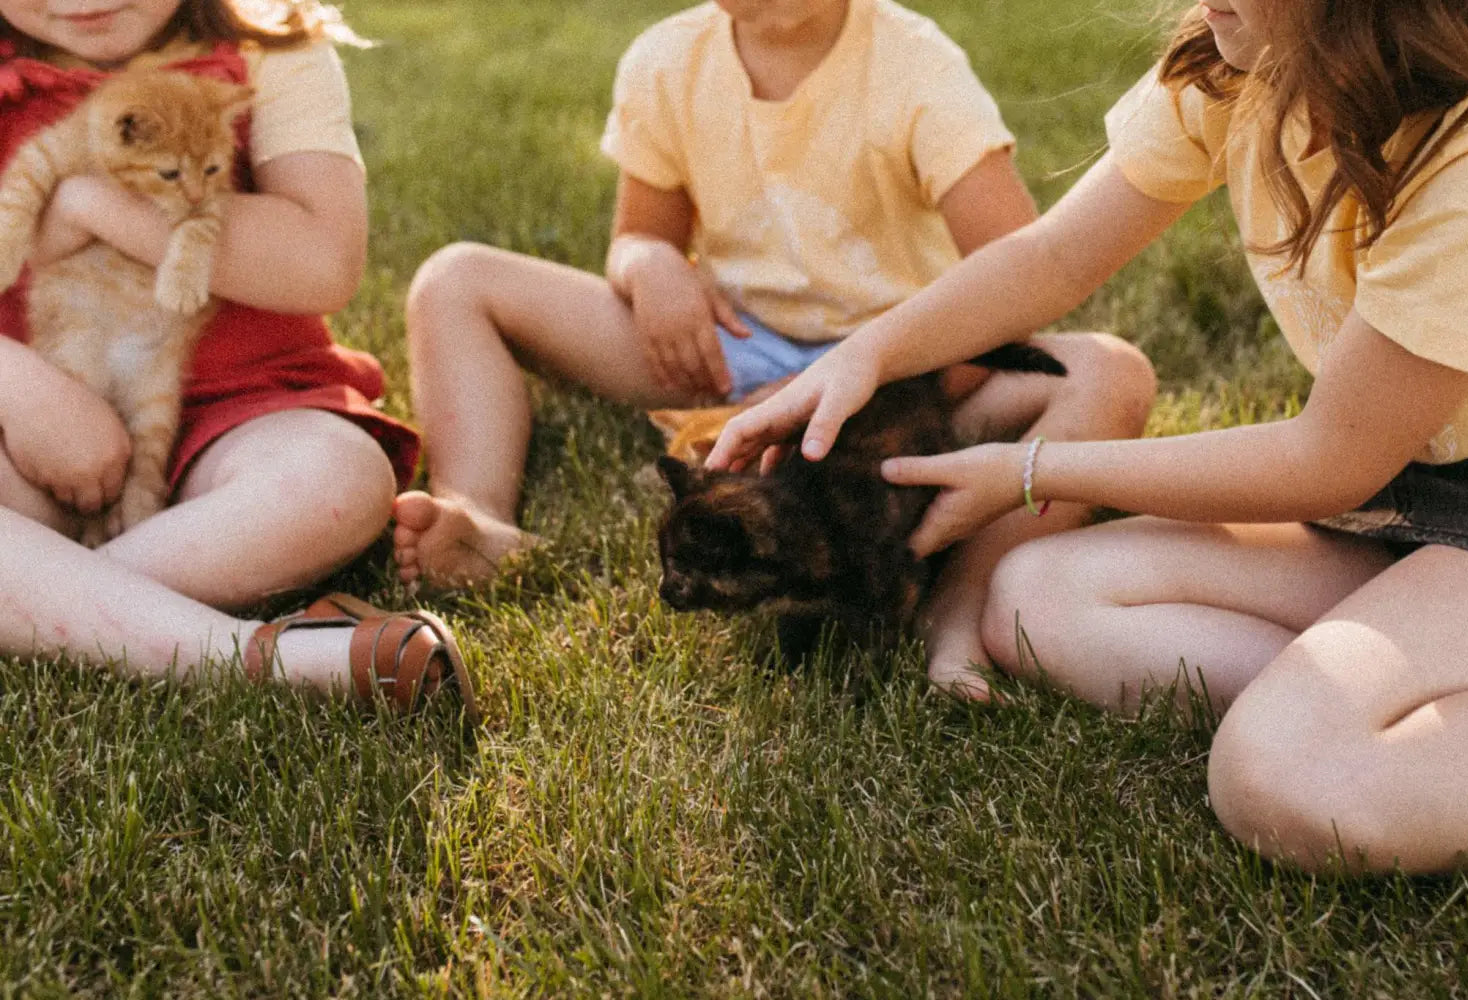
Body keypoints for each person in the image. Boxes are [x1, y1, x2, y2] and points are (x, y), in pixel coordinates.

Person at [709, 0, 1468, 872]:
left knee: (1282, 777)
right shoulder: (1245, 64)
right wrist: (863, 358)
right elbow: (1054, 258)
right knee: (1033, 601)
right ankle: (1393, 686)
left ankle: (1355, 711)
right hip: (1404, 497)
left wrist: (1030, 468)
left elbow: (1326, 460)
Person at [392, 0, 1157, 699]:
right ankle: (478, 514)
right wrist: (651, 266)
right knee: (455, 280)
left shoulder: (915, 66)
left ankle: (960, 607)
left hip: (900, 383)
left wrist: (878, 381)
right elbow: (639, 233)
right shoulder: (670, 60)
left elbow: (1013, 279)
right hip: (727, 359)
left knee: (1105, 371)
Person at [0, 0, 476, 720]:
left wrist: (93, 204)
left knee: (337, 480)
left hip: (246, 408)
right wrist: (17, 384)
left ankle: (55, 603)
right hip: (28, 427)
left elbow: (322, 261)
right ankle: (268, 657)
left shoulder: (269, 53)